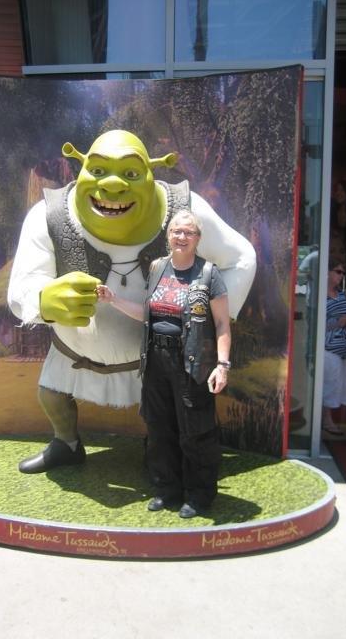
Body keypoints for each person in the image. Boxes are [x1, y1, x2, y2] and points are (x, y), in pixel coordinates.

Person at [9, 130, 256, 475]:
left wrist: (205, 319)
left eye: (130, 173)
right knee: (52, 395)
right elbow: (22, 286)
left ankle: (159, 452)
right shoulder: (48, 215)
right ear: (82, 167)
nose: (112, 186)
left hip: (156, 353)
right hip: (72, 351)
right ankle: (66, 443)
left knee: (160, 409)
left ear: (151, 173)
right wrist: (44, 299)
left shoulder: (184, 211)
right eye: (97, 170)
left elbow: (240, 259)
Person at [97, 211, 231, 518]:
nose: (181, 237)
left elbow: (223, 324)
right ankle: (167, 489)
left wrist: (222, 365)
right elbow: (148, 314)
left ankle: (199, 495)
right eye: (176, 231)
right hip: (156, 359)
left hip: (191, 362)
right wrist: (113, 299)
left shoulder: (208, 273)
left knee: (195, 431)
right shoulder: (157, 267)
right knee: (159, 428)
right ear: (168, 236)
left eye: (188, 232)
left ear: (198, 238)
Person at [322, 258, 346, 435]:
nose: (341, 276)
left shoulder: (342, 295)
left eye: (343, 273)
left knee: (345, 385)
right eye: (338, 271)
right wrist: (337, 323)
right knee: (331, 384)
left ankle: (336, 421)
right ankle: (326, 420)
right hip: (329, 347)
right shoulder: (319, 295)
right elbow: (315, 324)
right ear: (326, 272)